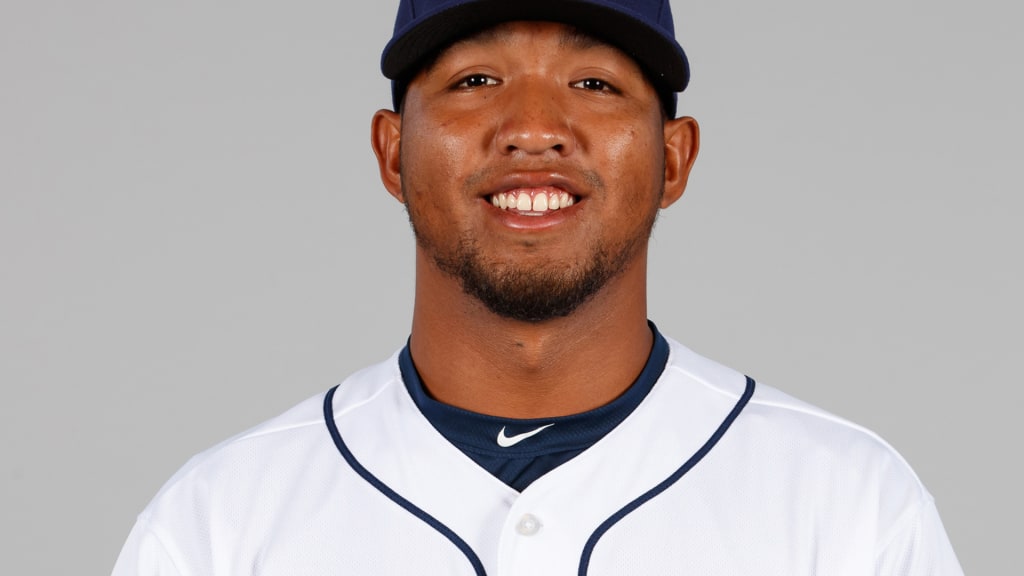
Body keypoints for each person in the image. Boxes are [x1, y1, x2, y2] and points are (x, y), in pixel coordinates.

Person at [112, 0, 963, 574]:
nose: (532, 129)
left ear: (674, 159)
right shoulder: (219, 525)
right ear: (391, 152)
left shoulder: (847, 508)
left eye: (593, 84)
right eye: (476, 81)